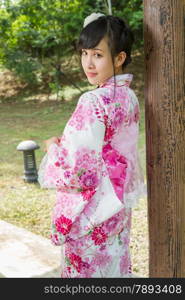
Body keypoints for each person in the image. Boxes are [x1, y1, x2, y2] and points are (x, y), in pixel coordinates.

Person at [38, 13, 146, 278]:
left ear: (119, 58)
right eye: (85, 53)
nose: (88, 63)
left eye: (98, 55)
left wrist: (53, 148)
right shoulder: (128, 97)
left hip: (93, 211)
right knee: (114, 268)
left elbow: (78, 171)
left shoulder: (93, 101)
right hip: (117, 206)